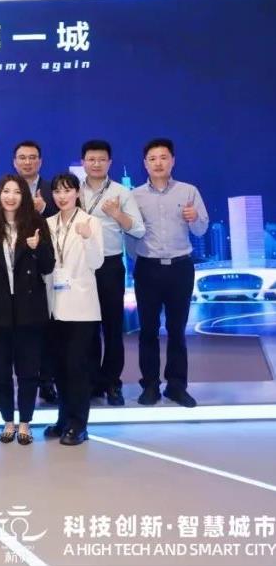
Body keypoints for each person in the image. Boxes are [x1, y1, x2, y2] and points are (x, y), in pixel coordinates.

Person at [0, 175, 54, 446]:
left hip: (29, 309)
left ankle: (25, 423)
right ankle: (8, 420)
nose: (11, 197)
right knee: (1, 371)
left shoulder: (36, 224)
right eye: (6, 191)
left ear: (24, 196)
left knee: (28, 371)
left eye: (17, 192)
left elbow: (48, 266)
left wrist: (36, 248)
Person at [131, 138, 208, 408]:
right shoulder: (135, 196)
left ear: (172, 161)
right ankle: (150, 386)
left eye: (163, 157)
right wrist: (142, 258)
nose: (158, 163)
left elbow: (201, 230)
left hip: (180, 267)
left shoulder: (189, 191)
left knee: (177, 330)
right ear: (145, 164)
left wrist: (195, 217)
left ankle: (176, 386)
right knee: (148, 330)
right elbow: (130, 234)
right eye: (152, 159)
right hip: (148, 268)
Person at [79, 140, 145, 406]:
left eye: (101, 159)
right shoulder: (73, 190)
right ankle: (91, 381)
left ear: (110, 163)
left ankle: (112, 383)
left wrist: (117, 214)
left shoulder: (120, 192)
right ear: (83, 162)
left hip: (109, 265)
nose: (96, 164)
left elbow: (138, 229)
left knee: (112, 328)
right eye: (91, 159)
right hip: (80, 267)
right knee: (86, 328)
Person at [44, 173, 104, 446]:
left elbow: (97, 262)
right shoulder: (48, 224)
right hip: (54, 306)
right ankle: (63, 419)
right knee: (59, 367)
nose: (62, 196)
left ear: (77, 193)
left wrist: (88, 238)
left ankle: (79, 424)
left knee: (77, 367)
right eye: (57, 191)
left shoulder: (91, 222)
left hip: (81, 307)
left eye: (67, 190)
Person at [13, 140, 58, 405]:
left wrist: (45, 210)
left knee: (46, 331)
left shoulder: (53, 189)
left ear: (40, 161)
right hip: (16, 270)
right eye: (22, 158)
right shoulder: (6, 189)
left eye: (32, 157)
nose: (27, 162)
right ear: (14, 162)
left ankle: (47, 382)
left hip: (46, 267)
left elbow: (64, 219)